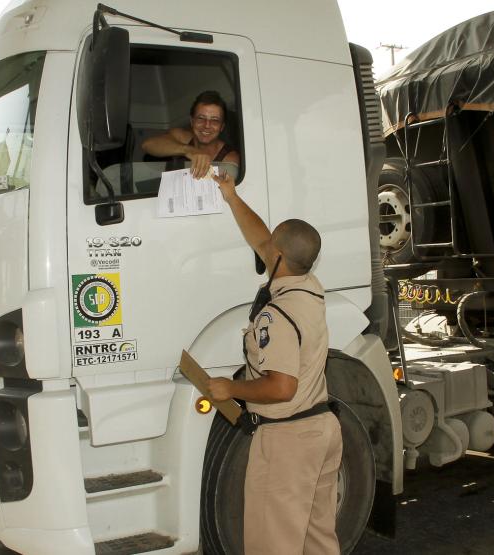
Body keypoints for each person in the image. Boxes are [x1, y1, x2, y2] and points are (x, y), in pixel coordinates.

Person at [207, 172, 343, 555]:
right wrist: (231, 197)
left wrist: (230, 388)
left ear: (278, 256)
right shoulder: (309, 289)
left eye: (271, 248)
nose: (264, 248)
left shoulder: (278, 313)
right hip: (322, 430)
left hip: (287, 440)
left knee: (272, 546)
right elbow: (263, 238)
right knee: (318, 541)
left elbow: (282, 386)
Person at [141, 90, 240, 179]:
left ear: (222, 127)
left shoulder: (229, 159)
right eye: (201, 118)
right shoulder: (181, 137)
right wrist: (189, 151)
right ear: (192, 121)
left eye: (214, 120)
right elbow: (147, 145)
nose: (207, 125)